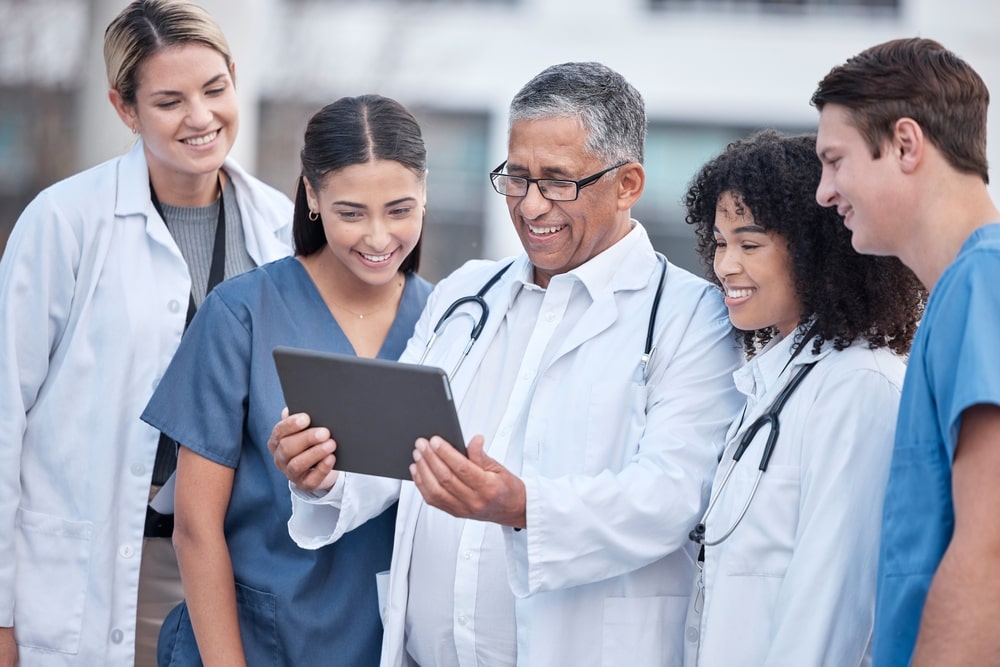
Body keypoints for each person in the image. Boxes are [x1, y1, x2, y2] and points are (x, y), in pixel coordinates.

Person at [269, 61, 745, 666]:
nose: (530, 205)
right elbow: (400, 449)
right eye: (516, 178)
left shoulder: (690, 318)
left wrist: (521, 507)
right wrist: (323, 472)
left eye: (558, 181)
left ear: (627, 184)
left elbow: (672, 496)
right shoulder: (467, 293)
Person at [0, 0, 293, 664]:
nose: (200, 116)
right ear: (125, 109)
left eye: (215, 89)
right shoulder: (65, 222)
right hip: (92, 570)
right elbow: (3, 416)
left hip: (231, 573)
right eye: (169, 100)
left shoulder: (278, 230)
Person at [140, 94, 434, 665]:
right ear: (312, 196)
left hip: (381, 641)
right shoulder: (242, 314)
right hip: (250, 640)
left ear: (425, 192)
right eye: (352, 212)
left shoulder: (448, 322)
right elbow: (195, 530)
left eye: (399, 209)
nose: (378, 238)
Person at [680, 129, 924, 666]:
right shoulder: (770, 385)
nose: (725, 266)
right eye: (720, 244)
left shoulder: (860, 386)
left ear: (815, 251)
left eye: (749, 244)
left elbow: (833, 605)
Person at [812, 37, 1000, 667]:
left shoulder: (984, 285)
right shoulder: (963, 293)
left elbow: (990, 546)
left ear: (905, 144)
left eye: (834, 161)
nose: (823, 191)